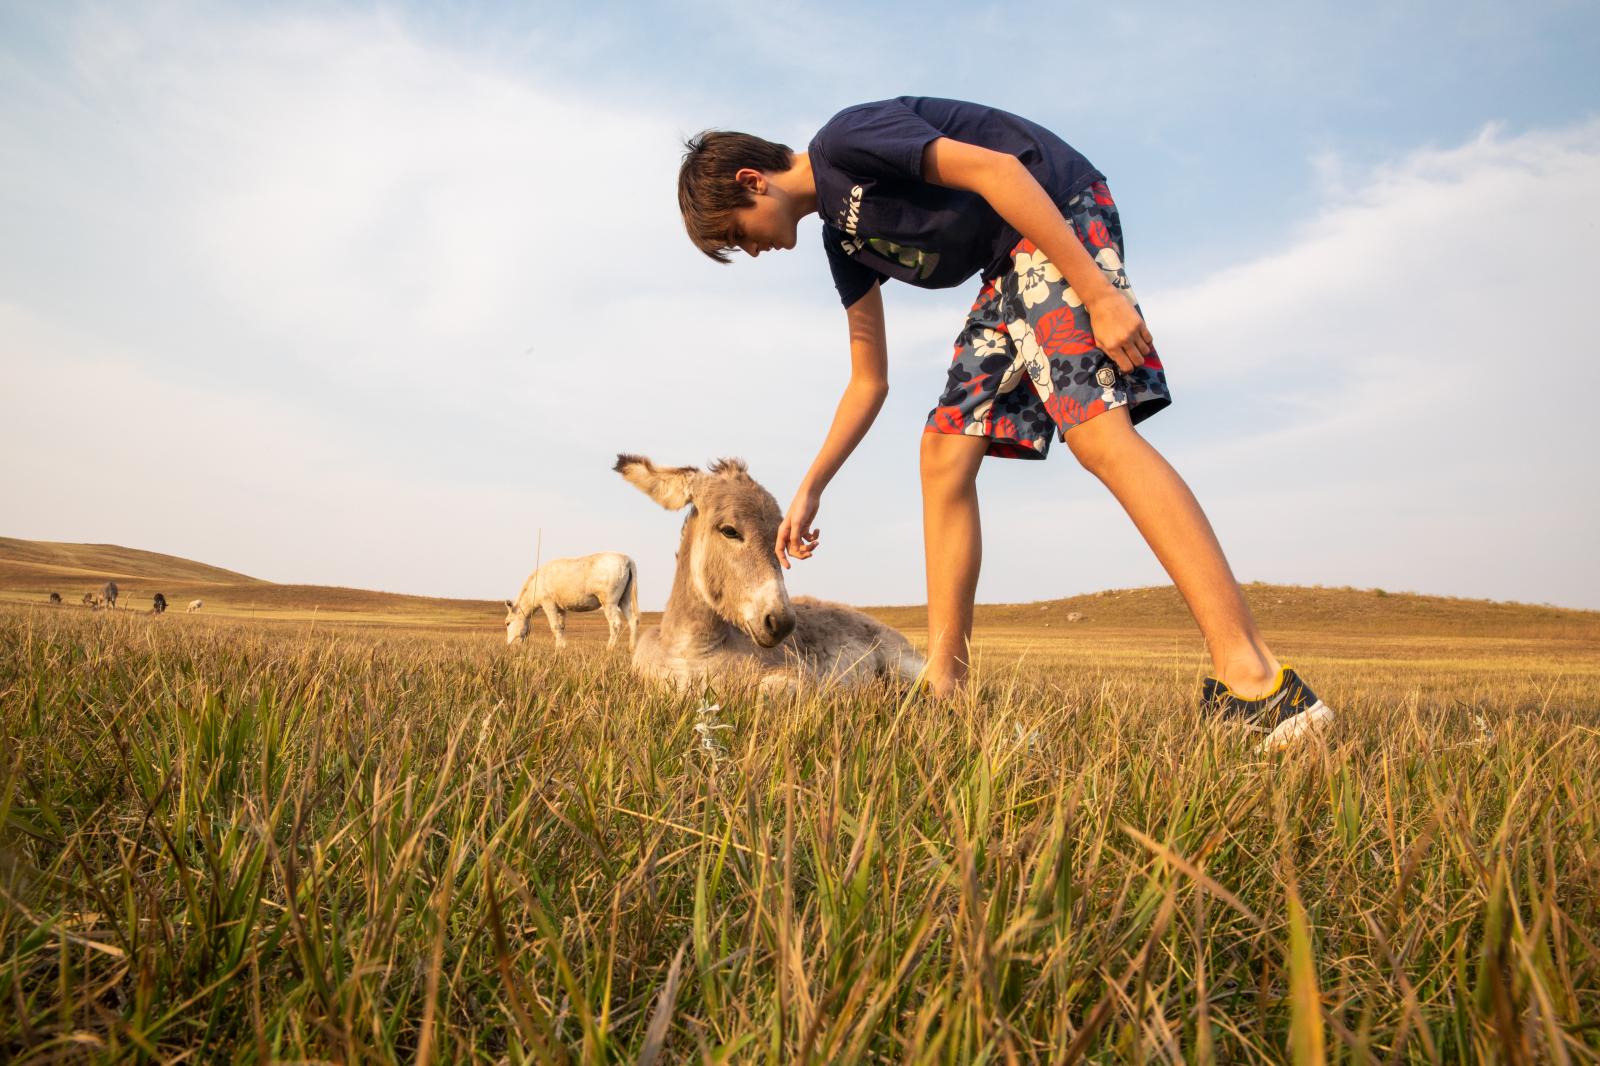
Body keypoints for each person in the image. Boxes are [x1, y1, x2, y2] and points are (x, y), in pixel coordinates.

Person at [676, 97, 1331, 747]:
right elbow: (868, 378)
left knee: (1099, 434)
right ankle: (946, 694)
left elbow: (1001, 174)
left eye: (737, 234)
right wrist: (813, 486)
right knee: (944, 452)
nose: (750, 250)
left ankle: (1259, 682)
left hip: (1056, 219)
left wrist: (1099, 293)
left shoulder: (847, 140)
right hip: (1007, 273)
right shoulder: (843, 240)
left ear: (752, 182)